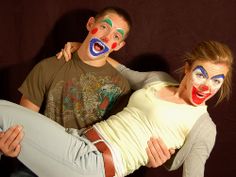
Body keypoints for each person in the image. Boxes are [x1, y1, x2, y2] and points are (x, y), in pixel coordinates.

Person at [0, 40, 232, 177]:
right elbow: (122, 71)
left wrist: (161, 162)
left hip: (93, 165)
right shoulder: (158, 79)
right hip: (77, 140)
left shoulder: (204, 126)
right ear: (188, 68)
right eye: (202, 75)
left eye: (216, 80)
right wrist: (83, 48)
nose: (207, 86)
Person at [0, 6, 172, 177]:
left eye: (115, 36)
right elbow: (21, 125)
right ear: (90, 24)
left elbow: (122, 144)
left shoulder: (121, 89)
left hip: (83, 167)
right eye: (104, 27)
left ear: (119, 46)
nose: (106, 37)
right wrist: (9, 146)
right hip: (37, 166)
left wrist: (148, 158)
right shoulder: (48, 67)